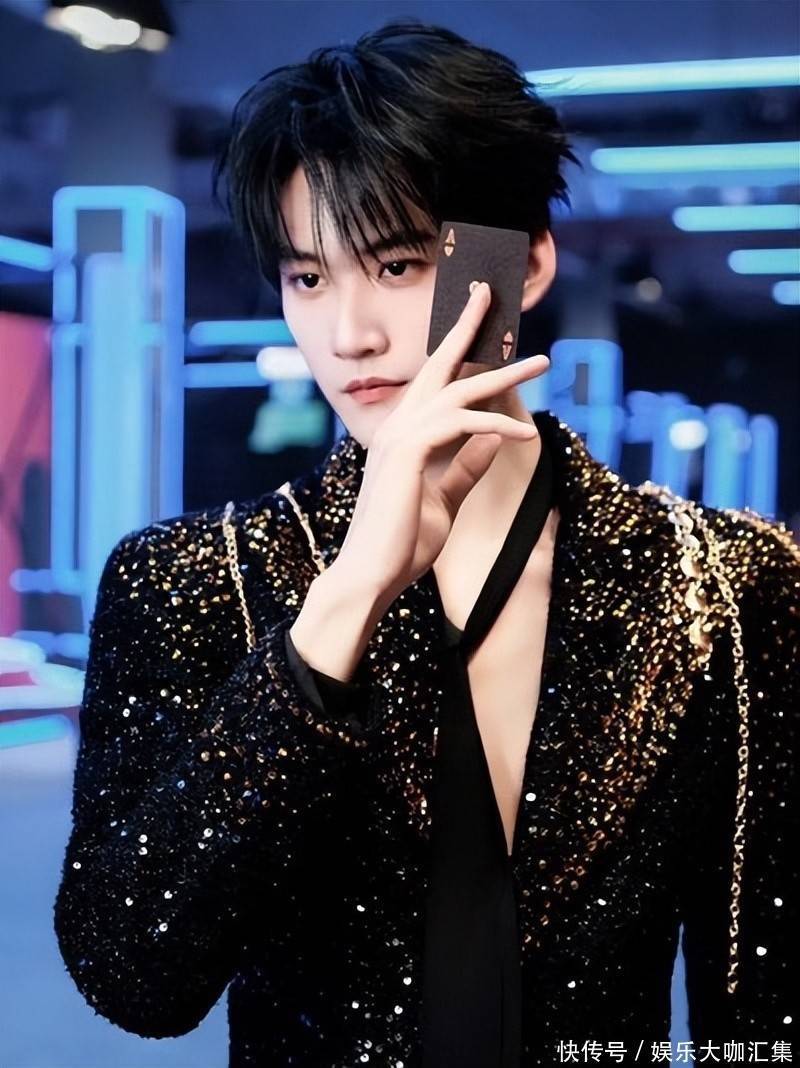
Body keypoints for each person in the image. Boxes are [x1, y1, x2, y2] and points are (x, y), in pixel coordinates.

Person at [53, 18, 798, 1068]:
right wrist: (342, 605)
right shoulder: (191, 579)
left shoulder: (725, 582)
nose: (348, 334)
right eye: (307, 279)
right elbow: (133, 975)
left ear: (525, 261)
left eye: (396, 265)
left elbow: (763, 1004)